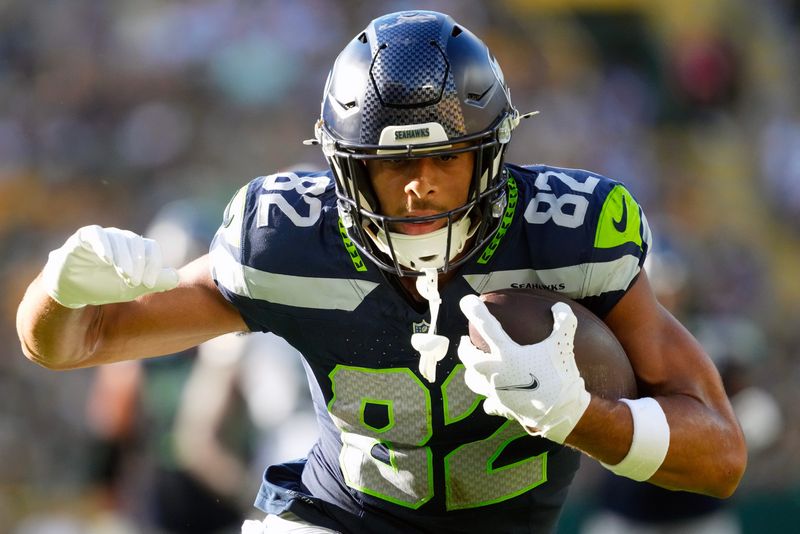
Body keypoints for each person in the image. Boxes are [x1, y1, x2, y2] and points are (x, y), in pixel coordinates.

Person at [16, 10, 746, 534]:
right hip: (338, 515)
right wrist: (58, 288)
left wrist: (583, 418)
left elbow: (720, 454)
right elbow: (75, 342)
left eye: (445, 161)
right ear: (342, 170)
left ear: (490, 155)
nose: (418, 189)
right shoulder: (290, 241)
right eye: (391, 166)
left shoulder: (570, 236)